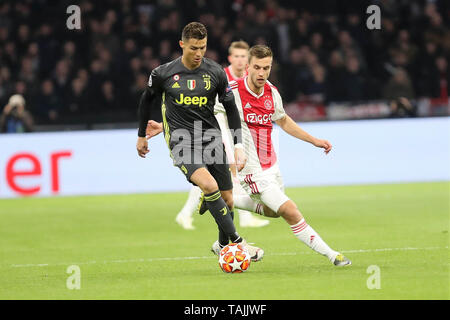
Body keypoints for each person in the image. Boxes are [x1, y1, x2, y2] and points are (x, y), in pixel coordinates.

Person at [204, 45, 351, 266]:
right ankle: (333, 255)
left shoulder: (271, 92)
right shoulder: (231, 91)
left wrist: (314, 140)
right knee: (291, 211)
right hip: (251, 170)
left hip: (271, 165)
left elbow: (282, 120)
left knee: (273, 212)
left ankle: (227, 200)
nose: (261, 73)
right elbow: (205, 113)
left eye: (266, 68)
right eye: (257, 67)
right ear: (247, 67)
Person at [136, 22, 264, 261]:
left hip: (211, 138)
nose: (198, 53)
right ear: (182, 44)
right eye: (193, 48)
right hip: (181, 141)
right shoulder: (163, 73)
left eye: (202, 48)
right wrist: (141, 135)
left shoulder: (214, 72)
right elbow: (146, 101)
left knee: (227, 200)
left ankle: (222, 245)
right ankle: (238, 243)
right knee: (209, 186)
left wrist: (237, 145)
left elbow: (231, 108)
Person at [173, 40, 270, 229]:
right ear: (230, 58)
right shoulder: (219, 75)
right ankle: (188, 213)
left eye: (244, 56)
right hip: (216, 127)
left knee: (231, 171)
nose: (241, 60)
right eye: (237, 56)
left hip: (234, 128)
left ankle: (186, 214)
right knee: (230, 170)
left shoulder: (250, 77)